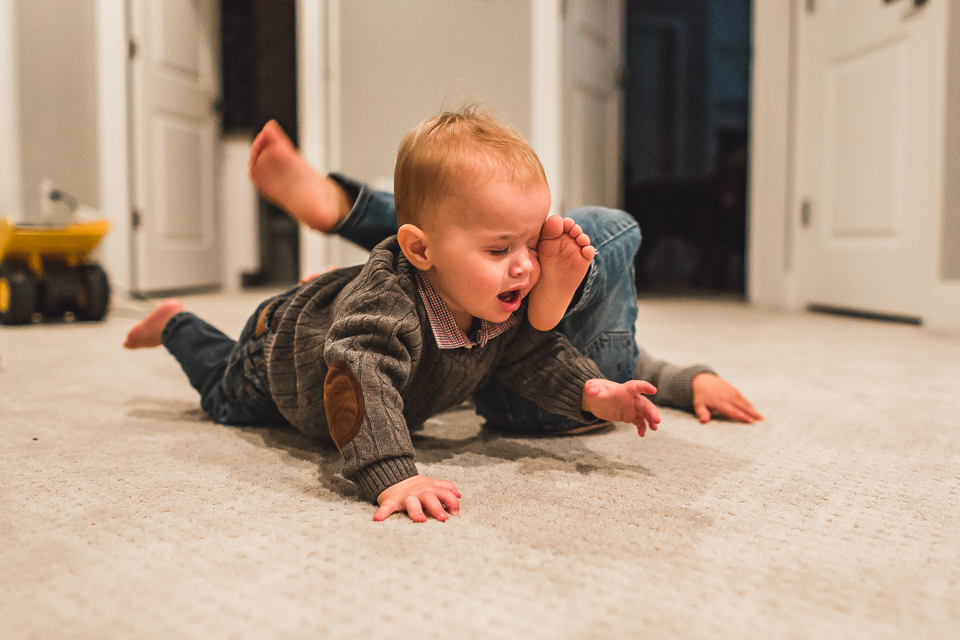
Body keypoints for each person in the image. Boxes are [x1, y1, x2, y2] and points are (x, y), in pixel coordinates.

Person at [125, 108, 664, 523]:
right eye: (500, 251)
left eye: (530, 245)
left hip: (332, 324)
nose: (526, 267)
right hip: (277, 356)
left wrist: (594, 391)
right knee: (222, 398)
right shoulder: (389, 308)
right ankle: (177, 325)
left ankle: (335, 226)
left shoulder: (495, 304)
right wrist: (392, 476)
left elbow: (533, 355)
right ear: (421, 251)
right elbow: (358, 383)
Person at [248, 119, 764, 428]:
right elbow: (633, 362)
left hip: (546, 397)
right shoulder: (460, 312)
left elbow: (632, 367)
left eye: (532, 248)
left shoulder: (501, 319)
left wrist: (684, 380)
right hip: (535, 382)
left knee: (584, 231)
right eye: (520, 251)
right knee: (590, 231)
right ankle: (545, 294)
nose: (527, 262)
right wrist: (687, 379)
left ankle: (349, 206)